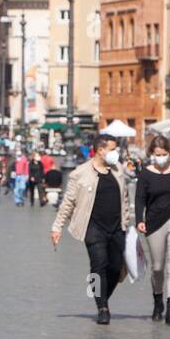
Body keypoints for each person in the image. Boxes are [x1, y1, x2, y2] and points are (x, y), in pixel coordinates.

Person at [50, 133, 131, 325]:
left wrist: (127, 223)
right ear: (101, 150)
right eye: (112, 149)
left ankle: (102, 295)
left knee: (115, 267)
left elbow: (125, 199)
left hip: (117, 226)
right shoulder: (80, 173)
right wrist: (57, 227)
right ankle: (102, 307)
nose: (116, 153)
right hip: (92, 227)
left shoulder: (117, 169)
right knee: (98, 265)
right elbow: (68, 202)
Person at [135, 136, 170, 325]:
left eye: (165, 154)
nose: (161, 158)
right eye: (158, 155)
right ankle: (158, 301)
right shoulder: (145, 174)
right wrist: (139, 220)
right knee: (158, 267)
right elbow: (139, 198)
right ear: (151, 154)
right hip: (153, 223)